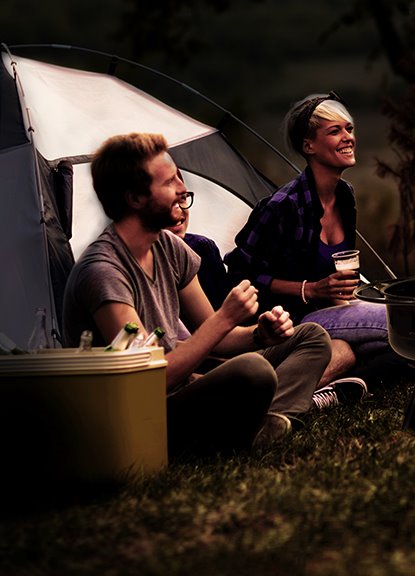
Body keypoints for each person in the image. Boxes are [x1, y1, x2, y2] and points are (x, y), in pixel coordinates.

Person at [62, 132, 333, 456]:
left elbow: (220, 338)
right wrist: (225, 317)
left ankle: (264, 425)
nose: (182, 190)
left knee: (312, 337)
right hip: (145, 415)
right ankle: (251, 428)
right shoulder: (104, 272)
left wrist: (259, 335)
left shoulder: (168, 247)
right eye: (169, 183)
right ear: (135, 198)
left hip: (187, 385)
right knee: (252, 371)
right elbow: (146, 382)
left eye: (180, 179)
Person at [225, 93, 401, 401]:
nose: (348, 138)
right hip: (292, 322)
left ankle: (336, 391)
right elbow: (240, 272)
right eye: (335, 131)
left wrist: (340, 292)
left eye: (349, 129)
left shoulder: (344, 196)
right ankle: (318, 383)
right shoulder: (282, 207)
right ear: (309, 146)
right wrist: (310, 289)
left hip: (333, 313)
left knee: (360, 349)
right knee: (403, 327)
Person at [167, 208, 232, 311]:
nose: (177, 211)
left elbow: (220, 307)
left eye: (183, 198)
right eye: (170, 203)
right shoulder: (143, 260)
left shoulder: (201, 247)